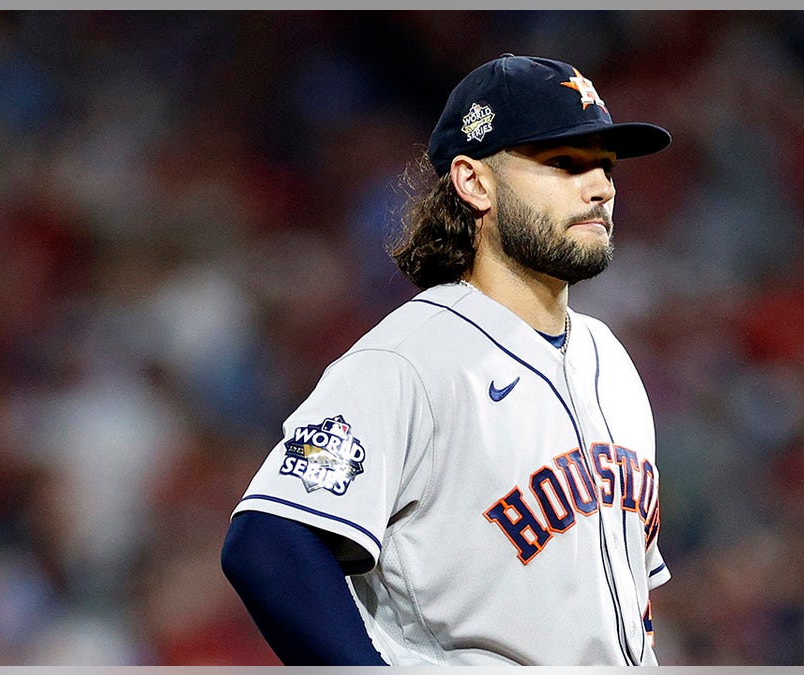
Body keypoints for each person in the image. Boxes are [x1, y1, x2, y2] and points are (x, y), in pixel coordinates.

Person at [220, 53, 672, 666]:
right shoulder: (408, 359)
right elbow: (268, 544)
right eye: (564, 163)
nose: (600, 187)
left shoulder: (611, 361)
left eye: (605, 165)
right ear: (473, 182)